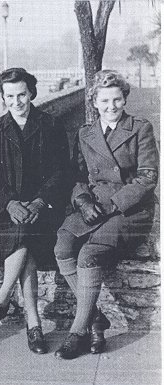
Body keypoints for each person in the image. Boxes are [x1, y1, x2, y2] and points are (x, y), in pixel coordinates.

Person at [54, 70, 159, 359]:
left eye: (117, 99)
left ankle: (78, 331)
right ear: (94, 102)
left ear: (125, 98)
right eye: (105, 100)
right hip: (95, 205)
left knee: (89, 254)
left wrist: (114, 204)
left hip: (130, 208)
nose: (111, 106)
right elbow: (77, 176)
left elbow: (148, 177)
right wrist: (84, 200)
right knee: (62, 245)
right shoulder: (85, 133)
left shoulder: (141, 128)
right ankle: (96, 317)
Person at [0, 68, 71, 354]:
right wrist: (9, 203)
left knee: (25, 234)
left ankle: (2, 301)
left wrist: (41, 201)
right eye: (10, 96)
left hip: (44, 209)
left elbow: (61, 171)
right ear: (2, 97)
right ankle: (34, 325)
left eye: (21, 95)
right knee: (23, 236)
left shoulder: (50, 125)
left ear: (31, 92)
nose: (16, 102)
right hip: (9, 213)